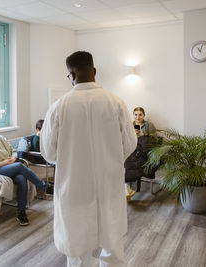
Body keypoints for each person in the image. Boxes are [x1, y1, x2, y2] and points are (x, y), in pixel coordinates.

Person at [40, 51, 137, 267]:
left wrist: (71, 159)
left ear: (71, 74)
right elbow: (130, 144)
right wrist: (110, 158)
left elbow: (48, 151)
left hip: (74, 188)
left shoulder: (59, 107)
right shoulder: (116, 102)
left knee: (77, 249)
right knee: (112, 247)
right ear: (94, 71)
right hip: (109, 186)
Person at [0, 115, 48, 226]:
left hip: (7, 168)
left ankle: (21, 212)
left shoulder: (1, 139)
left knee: (21, 178)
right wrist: (3, 163)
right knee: (19, 166)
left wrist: (13, 157)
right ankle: (42, 186)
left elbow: (13, 150)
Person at [125, 107, 157, 200]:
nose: (137, 117)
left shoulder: (149, 125)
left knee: (132, 162)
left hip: (145, 149)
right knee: (130, 162)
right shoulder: (130, 125)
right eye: (135, 114)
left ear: (144, 115)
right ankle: (129, 188)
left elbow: (155, 138)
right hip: (134, 149)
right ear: (133, 115)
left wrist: (142, 134)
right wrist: (132, 134)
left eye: (140, 115)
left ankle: (131, 189)